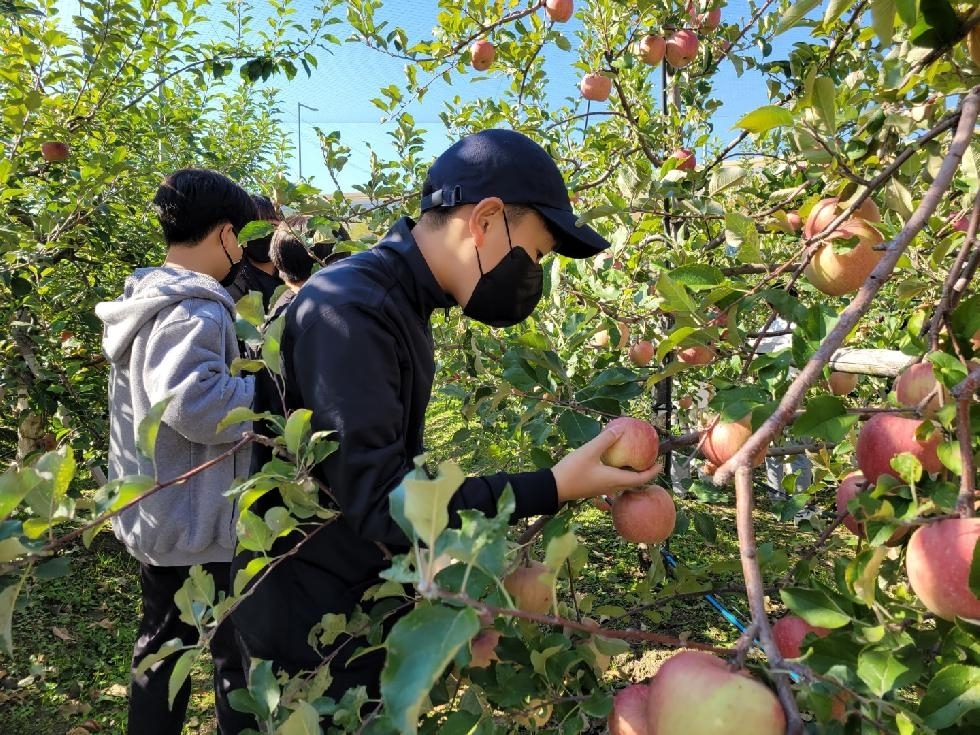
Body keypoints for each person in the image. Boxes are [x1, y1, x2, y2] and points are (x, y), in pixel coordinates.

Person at [231, 129, 661, 707]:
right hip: (304, 636)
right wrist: (552, 486)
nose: (532, 274)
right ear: (484, 220)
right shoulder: (353, 311)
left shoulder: (395, 301)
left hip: (337, 600)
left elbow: (373, 463)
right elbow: (383, 500)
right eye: (533, 254)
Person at [95, 168, 259, 735]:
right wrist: (269, 393)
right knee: (230, 653)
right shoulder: (197, 307)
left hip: (160, 515)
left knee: (162, 647)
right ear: (223, 233)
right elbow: (194, 404)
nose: (240, 250)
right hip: (198, 526)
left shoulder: (146, 298)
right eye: (239, 235)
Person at [225, 193, 284, 309]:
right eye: (254, 227)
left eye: (271, 225)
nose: (262, 233)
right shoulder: (234, 280)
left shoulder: (295, 268)